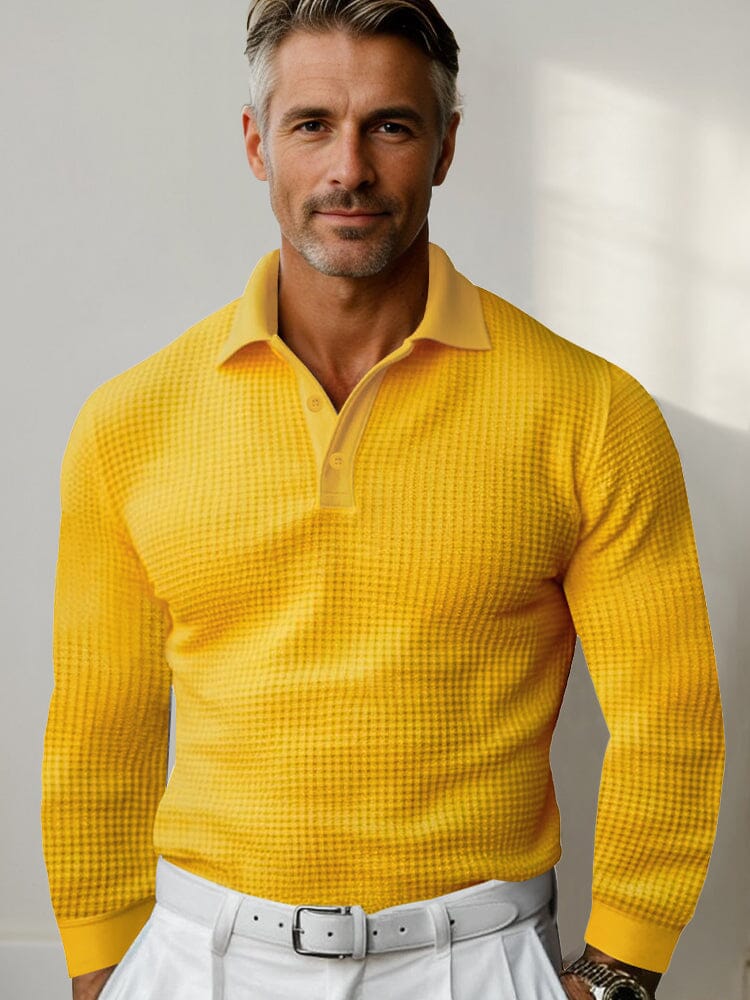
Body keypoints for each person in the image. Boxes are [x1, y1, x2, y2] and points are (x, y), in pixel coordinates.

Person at [41, 2, 724, 998]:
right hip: (199, 959)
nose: (348, 169)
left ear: (446, 147)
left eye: (391, 126)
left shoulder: (592, 412)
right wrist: (103, 968)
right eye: (312, 124)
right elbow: (100, 731)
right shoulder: (129, 422)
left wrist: (618, 969)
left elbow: (671, 719)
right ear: (257, 144)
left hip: (476, 960)